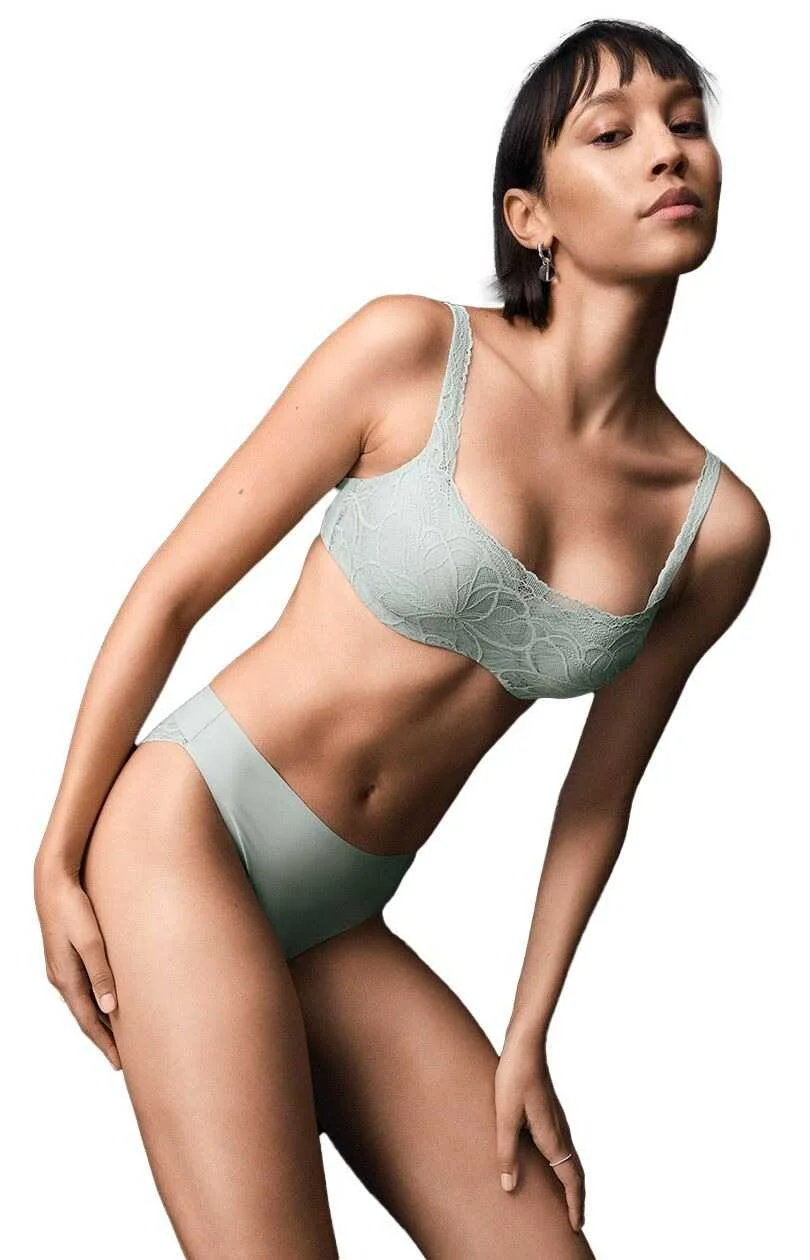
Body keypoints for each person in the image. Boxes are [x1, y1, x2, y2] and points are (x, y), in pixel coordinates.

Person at [33, 18, 770, 1259]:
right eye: (614, 132)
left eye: (687, 123)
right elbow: (171, 591)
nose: (667, 152)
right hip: (187, 830)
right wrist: (58, 856)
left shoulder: (715, 527)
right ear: (530, 217)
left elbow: (599, 797)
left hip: (343, 911)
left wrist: (527, 1031)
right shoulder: (411, 351)